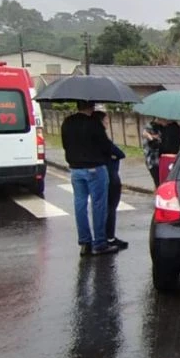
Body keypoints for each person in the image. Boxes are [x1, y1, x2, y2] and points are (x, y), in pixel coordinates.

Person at [62, 101, 119, 256]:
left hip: (75, 168)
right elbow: (105, 145)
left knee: (79, 204)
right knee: (98, 204)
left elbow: (65, 145)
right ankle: (100, 242)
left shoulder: (67, 122)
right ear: (91, 107)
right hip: (95, 167)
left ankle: (85, 242)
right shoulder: (94, 123)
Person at [93, 110, 128, 250]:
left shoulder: (91, 139)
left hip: (99, 175)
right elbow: (119, 153)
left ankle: (102, 236)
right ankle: (109, 237)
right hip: (110, 176)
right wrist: (113, 156)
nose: (107, 123)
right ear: (101, 122)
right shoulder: (101, 138)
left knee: (101, 207)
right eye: (106, 121)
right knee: (110, 207)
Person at [142, 118, 180, 187]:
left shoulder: (174, 127)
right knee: (159, 183)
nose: (167, 122)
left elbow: (175, 143)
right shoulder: (150, 128)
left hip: (170, 159)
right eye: (166, 121)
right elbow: (152, 146)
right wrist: (151, 138)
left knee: (170, 183)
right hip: (155, 161)